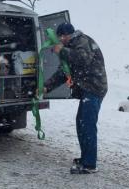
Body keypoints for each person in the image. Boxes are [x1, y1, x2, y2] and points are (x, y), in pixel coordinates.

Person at [43, 23, 108, 174]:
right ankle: (86, 157)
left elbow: (83, 59)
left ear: (64, 36)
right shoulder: (71, 46)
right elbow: (63, 73)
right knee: (81, 123)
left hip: (94, 88)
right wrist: (46, 87)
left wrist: (63, 51)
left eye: (60, 39)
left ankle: (89, 164)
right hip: (87, 90)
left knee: (87, 124)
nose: (59, 42)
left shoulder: (82, 41)